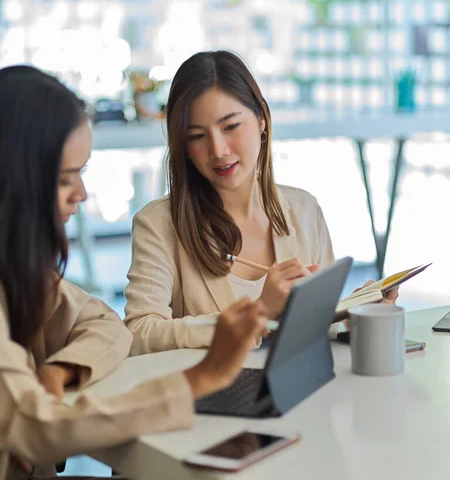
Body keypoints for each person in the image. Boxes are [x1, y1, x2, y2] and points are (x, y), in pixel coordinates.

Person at [0, 64, 269, 480]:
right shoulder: (160, 222)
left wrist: (61, 369)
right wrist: (198, 378)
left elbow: (102, 322)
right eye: (65, 179)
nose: (80, 194)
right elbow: (37, 428)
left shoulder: (21, 269)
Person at [124, 50, 398, 355]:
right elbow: (138, 334)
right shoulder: (158, 224)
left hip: (302, 394)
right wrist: (258, 314)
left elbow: (319, 335)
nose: (218, 150)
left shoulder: (304, 210)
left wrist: (356, 315)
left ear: (261, 119)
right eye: (198, 136)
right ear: (183, 146)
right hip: (211, 398)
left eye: (230, 127)